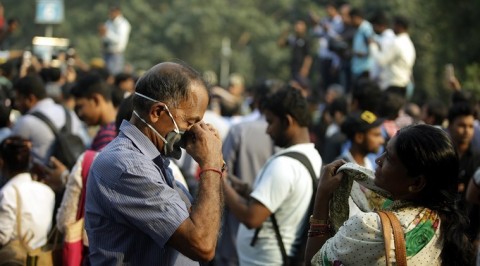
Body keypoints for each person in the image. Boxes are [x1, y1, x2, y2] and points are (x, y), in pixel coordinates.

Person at [85, 62, 225, 265]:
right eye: (191, 121)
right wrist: (210, 165)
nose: (196, 131)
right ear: (157, 112)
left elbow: (204, 224)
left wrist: (216, 165)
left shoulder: (152, 160)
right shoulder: (127, 166)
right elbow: (202, 244)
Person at [305, 124, 475, 265]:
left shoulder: (370, 226)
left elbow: (314, 262)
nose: (379, 160)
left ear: (416, 184)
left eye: (389, 158)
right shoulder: (440, 220)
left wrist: (322, 197)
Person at [223, 88, 322, 265]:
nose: (267, 130)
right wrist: (246, 191)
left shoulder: (284, 165)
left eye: (270, 122)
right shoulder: (312, 155)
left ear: (287, 121)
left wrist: (219, 182)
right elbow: (281, 201)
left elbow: (251, 218)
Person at [0, 136, 55, 250]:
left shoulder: (8, 193)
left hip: (14, 259)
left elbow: (2, 237)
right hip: (40, 258)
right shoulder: (48, 192)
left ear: (2, 162)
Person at [70, 73, 117, 151]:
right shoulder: (116, 129)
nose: (79, 114)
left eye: (80, 107)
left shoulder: (107, 136)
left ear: (95, 100)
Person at [99, 6, 131, 75]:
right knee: (106, 75)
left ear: (117, 12)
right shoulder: (109, 22)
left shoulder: (123, 24)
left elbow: (119, 40)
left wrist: (107, 33)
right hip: (106, 52)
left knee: (114, 74)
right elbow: (104, 36)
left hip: (116, 54)